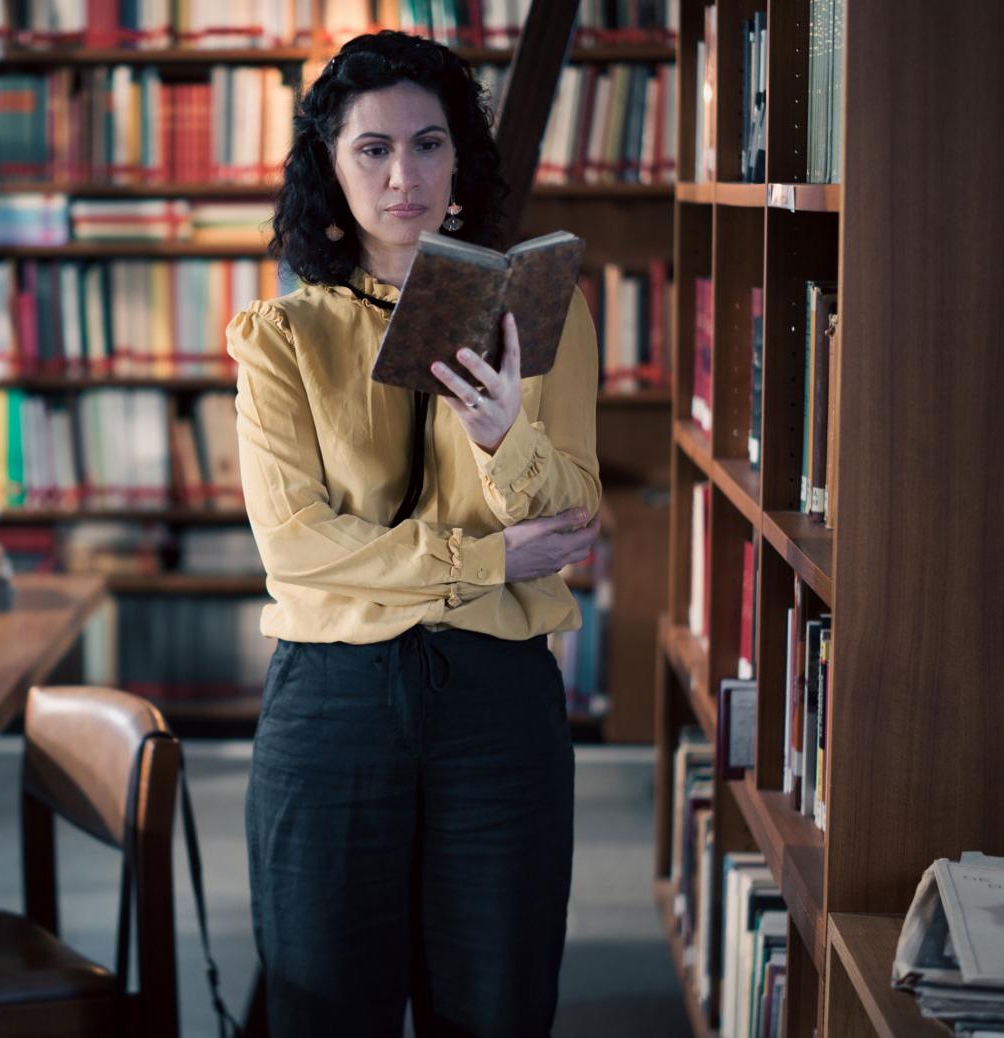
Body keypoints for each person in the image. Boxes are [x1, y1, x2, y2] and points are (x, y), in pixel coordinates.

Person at [225, 30, 603, 1036]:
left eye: (429, 145)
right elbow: (297, 548)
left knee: (496, 1001)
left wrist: (500, 432)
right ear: (330, 168)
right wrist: (478, 560)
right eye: (373, 150)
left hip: (499, 702)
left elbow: (568, 516)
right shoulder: (283, 339)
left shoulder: (540, 315)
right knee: (322, 1002)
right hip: (335, 698)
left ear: (459, 159)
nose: (406, 176)